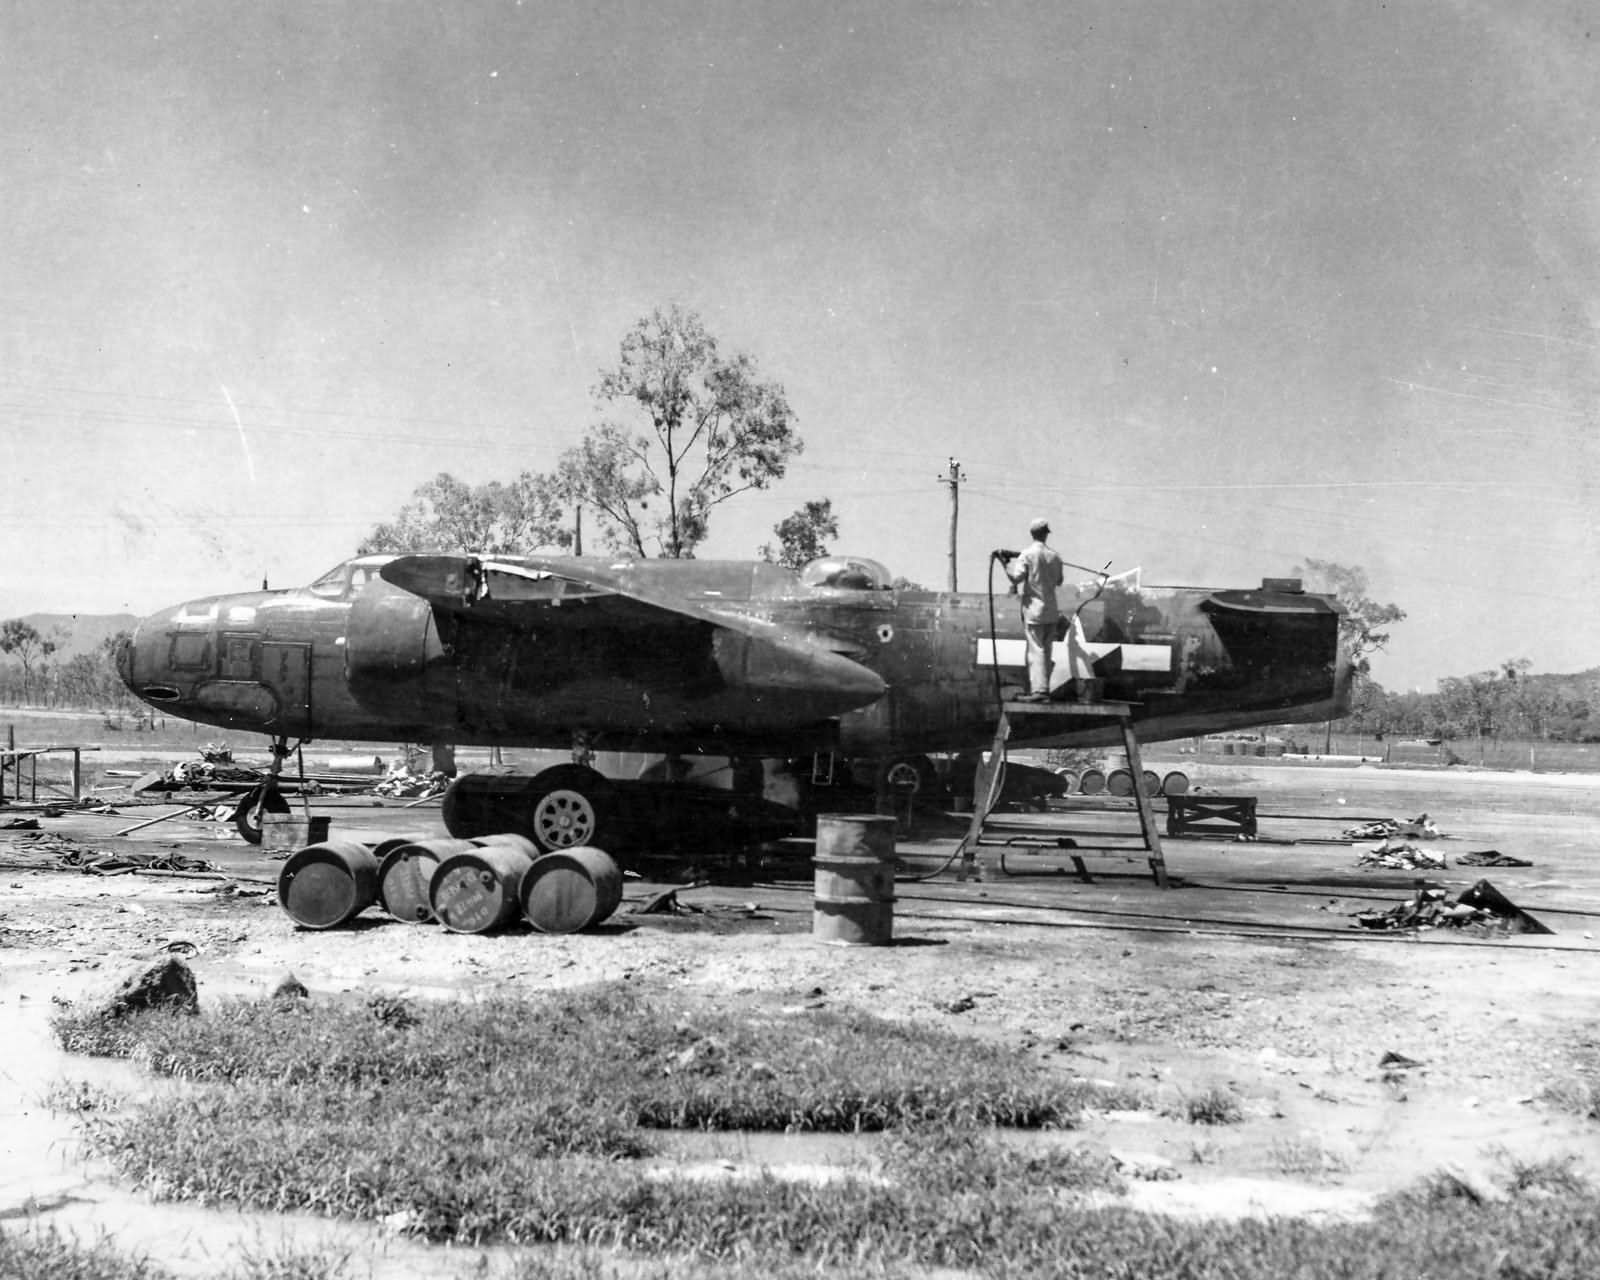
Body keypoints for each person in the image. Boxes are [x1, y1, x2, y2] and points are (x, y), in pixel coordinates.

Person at [1000, 518, 1065, 700]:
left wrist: (1004, 564)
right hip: (1051, 611)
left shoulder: (1027, 555)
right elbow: (1059, 581)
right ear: (1046, 534)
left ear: (1032, 534)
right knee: (1046, 650)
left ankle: (1039, 691)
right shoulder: (1055, 556)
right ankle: (1044, 689)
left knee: (1036, 651)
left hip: (1034, 611)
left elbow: (1016, 579)